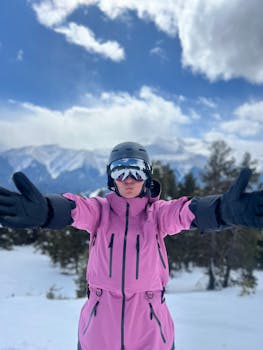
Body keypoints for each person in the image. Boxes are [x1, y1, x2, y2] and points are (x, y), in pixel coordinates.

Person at [0, 141, 262, 350]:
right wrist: (46, 210)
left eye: (136, 170)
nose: (128, 179)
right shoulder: (99, 212)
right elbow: (74, 208)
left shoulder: (158, 215)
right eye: (119, 170)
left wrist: (222, 211)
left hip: (150, 329)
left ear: (146, 176)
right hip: (98, 329)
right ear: (110, 177)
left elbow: (186, 211)